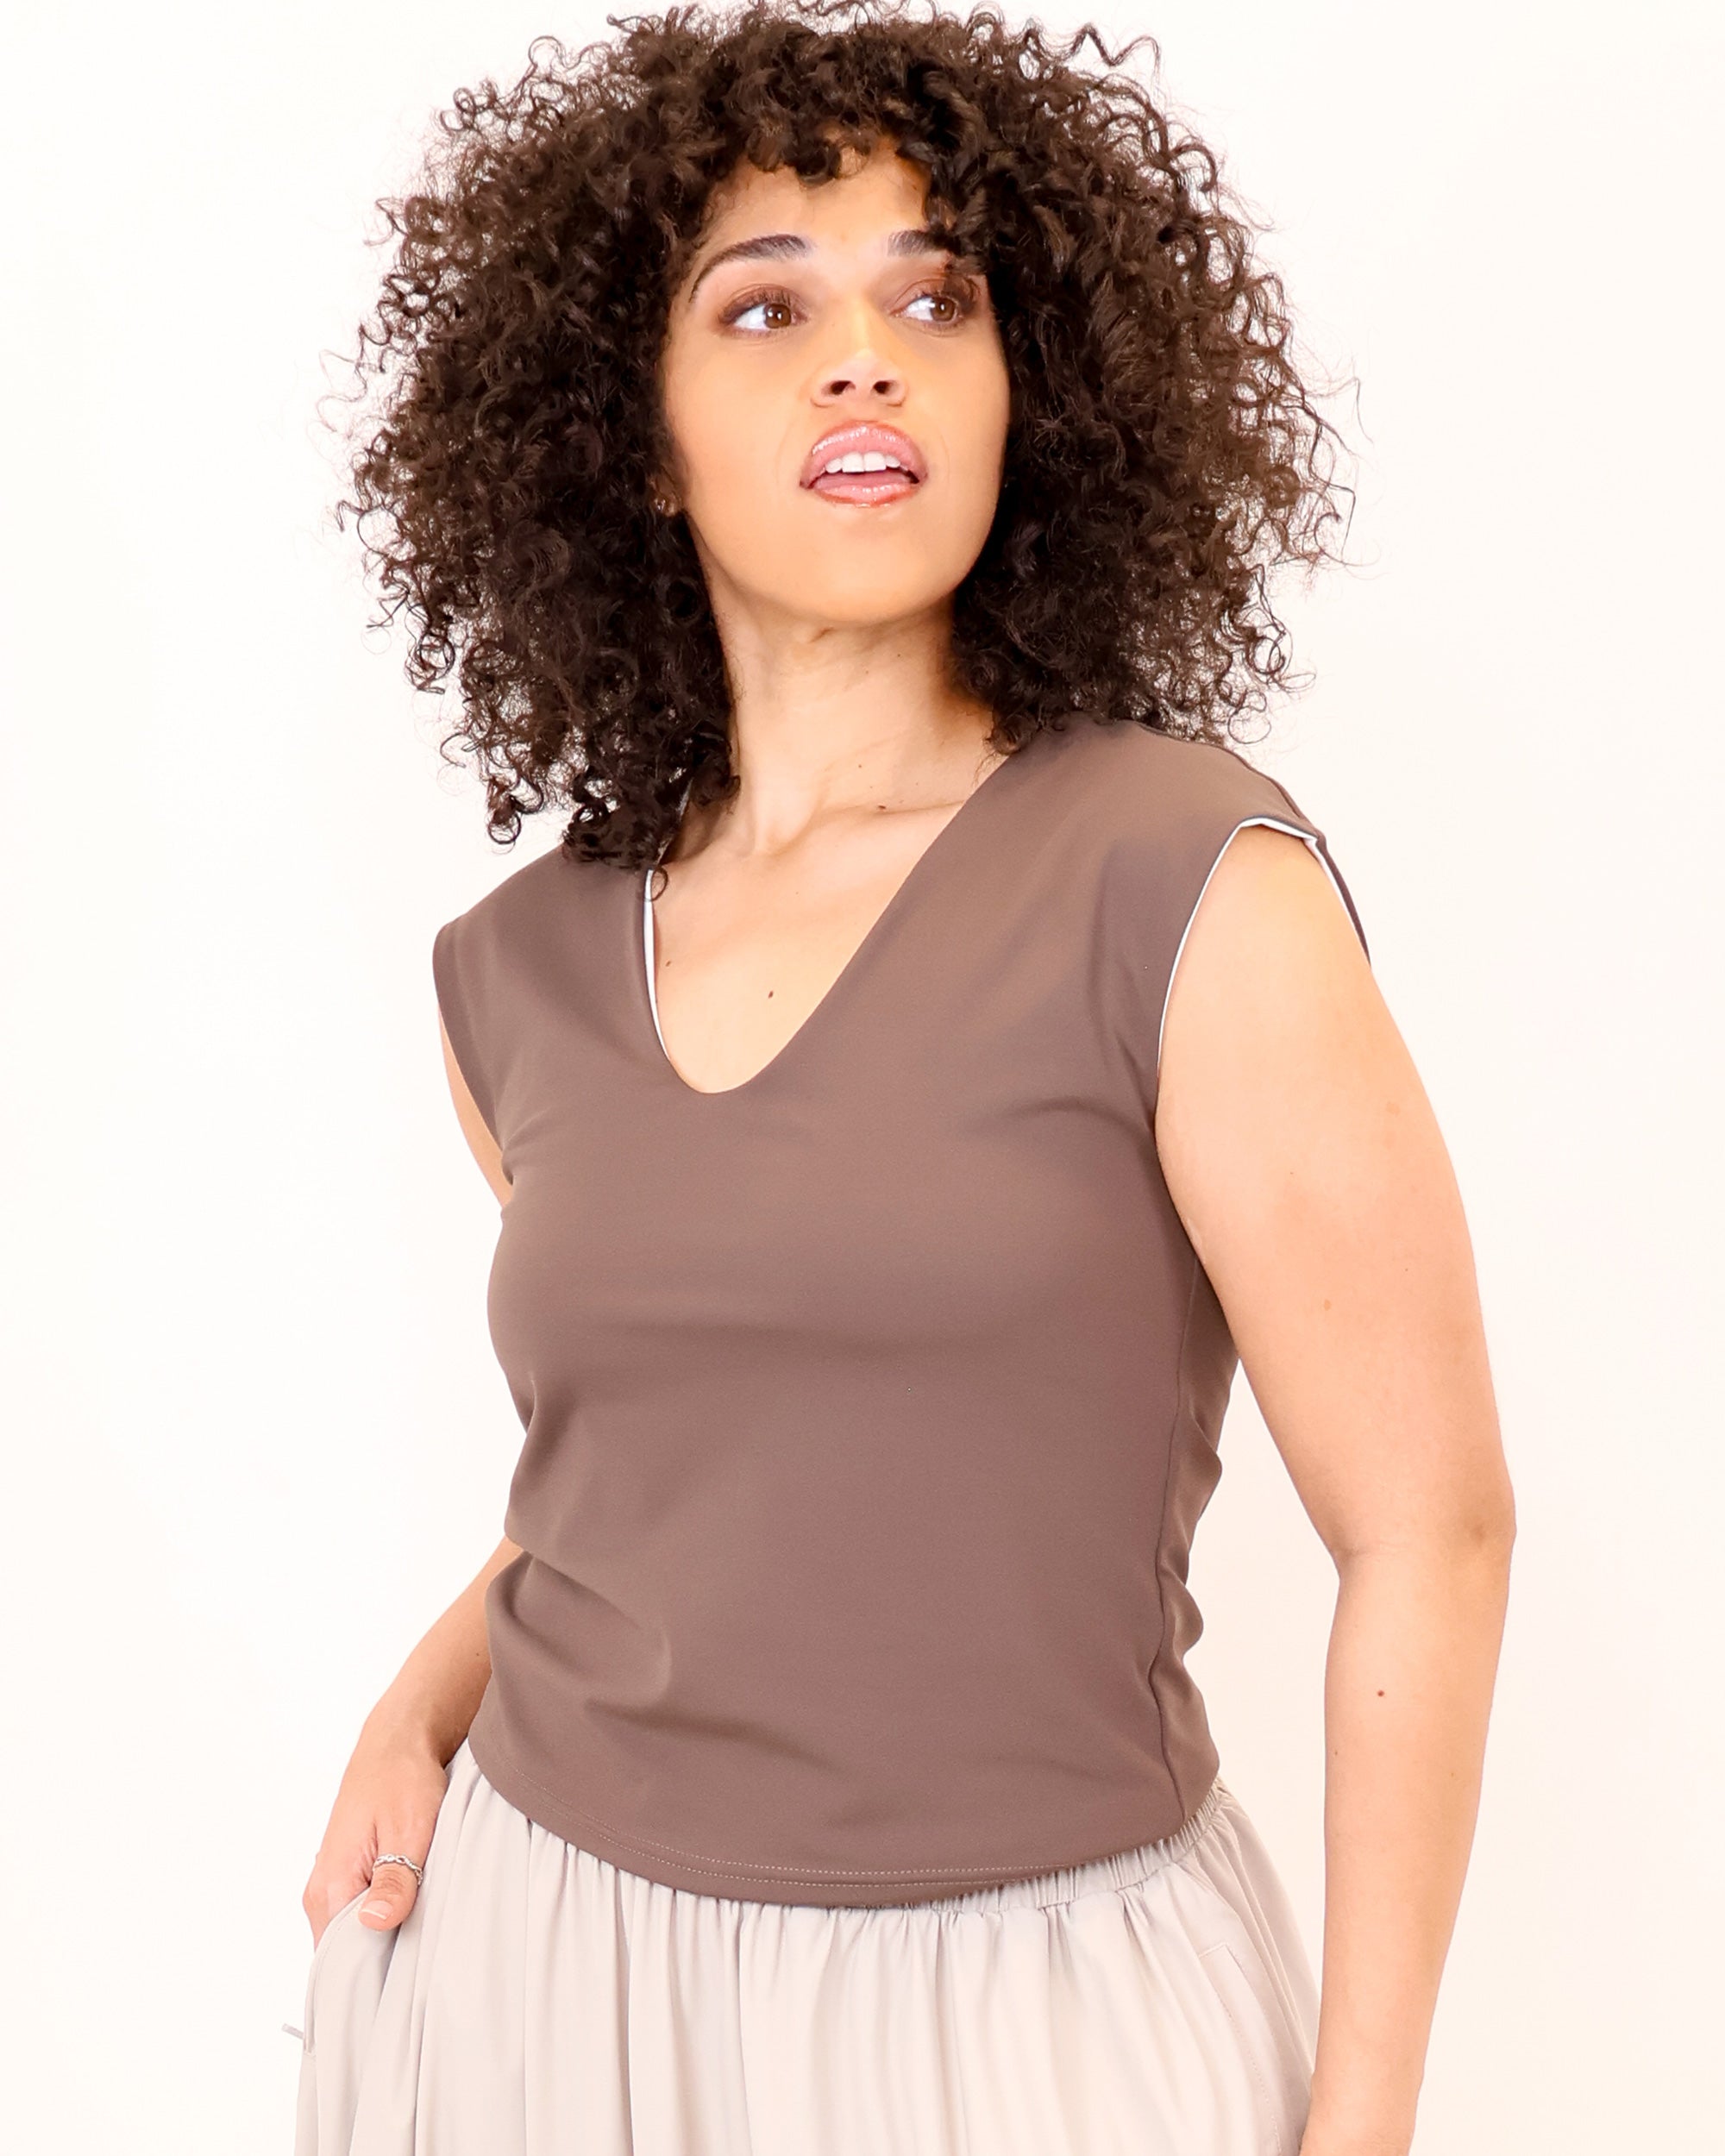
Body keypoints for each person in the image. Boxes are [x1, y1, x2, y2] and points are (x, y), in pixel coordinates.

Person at [290, 7, 1515, 2152]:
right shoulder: (522, 967)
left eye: (934, 299)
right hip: (539, 1973)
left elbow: (1431, 1527)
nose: (864, 359)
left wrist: (1364, 2123)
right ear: (635, 434)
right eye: (765, 306)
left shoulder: (1185, 882)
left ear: (1025, 396)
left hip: (1029, 2012)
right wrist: (418, 1702)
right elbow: (687, 1475)